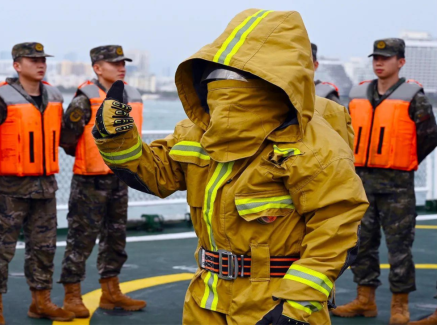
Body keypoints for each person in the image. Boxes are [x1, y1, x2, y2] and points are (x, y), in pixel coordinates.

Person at [91, 9, 367, 325]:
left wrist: (298, 305)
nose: (224, 82)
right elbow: (158, 176)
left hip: (275, 303)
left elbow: (339, 224)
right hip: (206, 297)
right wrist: (119, 139)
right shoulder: (196, 131)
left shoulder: (311, 144)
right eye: (220, 73)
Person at [331, 38, 437, 325]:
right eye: (376, 57)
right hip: (361, 183)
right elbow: (345, 132)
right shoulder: (358, 94)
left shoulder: (414, 95)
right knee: (361, 244)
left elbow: (428, 135)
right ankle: (365, 300)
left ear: (400, 62)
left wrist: (404, 160)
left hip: (397, 187)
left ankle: (399, 306)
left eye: (386, 58)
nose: (379, 62)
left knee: (399, 248)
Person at [0, 42, 74, 323]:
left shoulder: (54, 96)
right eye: (32, 60)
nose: (40, 64)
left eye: (43, 59)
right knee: (0, 248)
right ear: (17, 66)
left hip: (45, 186)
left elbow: (64, 134)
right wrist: (8, 156)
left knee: (44, 248)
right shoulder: (0, 98)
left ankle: (41, 301)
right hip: (10, 187)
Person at [58, 45, 146, 318]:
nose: (121, 67)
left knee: (115, 238)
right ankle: (72, 296)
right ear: (97, 67)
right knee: (81, 240)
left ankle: (111, 291)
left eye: (123, 62)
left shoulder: (132, 94)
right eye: (114, 62)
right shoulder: (84, 98)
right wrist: (90, 156)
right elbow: (67, 137)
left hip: (121, 178)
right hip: (89, 181)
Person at [311, 43, 354, 148]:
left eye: (305, 60)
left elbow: (341, 140)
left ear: (315, 65)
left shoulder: (327, 97)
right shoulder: (277, 94)